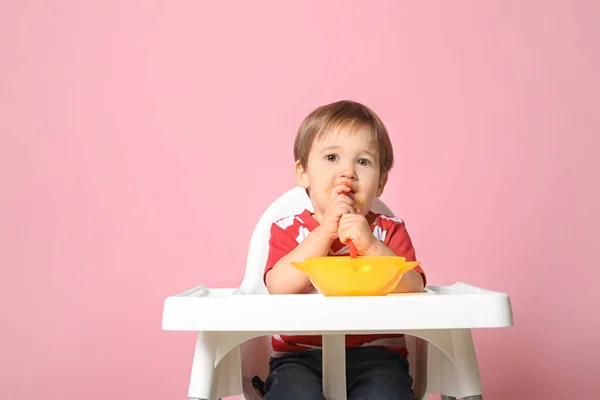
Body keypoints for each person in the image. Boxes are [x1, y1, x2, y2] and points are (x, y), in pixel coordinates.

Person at [261, 100, 426, 399]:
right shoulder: (287, 229)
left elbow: (414, 288)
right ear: (303, 172)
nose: (347, 171)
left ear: (381, 183)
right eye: (332, 157)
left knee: (384, 393)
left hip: (378, 357)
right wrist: (324, 233)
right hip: (300, 357)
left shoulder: (388, 231)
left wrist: (372, 246)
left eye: (363, 162)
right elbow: (278, 287)